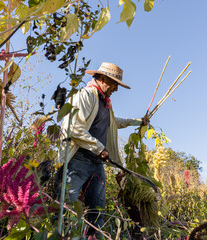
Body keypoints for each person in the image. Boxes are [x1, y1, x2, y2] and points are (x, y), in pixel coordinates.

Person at [58, 62, 144, 238]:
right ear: (103, 79)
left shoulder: (103, 102)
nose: (116, 89)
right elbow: (73, 127)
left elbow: (114, 122)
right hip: (78, 160)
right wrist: (99, 148)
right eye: (114, 84)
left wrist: (137, 121)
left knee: (97, 209)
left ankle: (93, 236)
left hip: (96, 163)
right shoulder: (85, 96)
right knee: (66, 207)